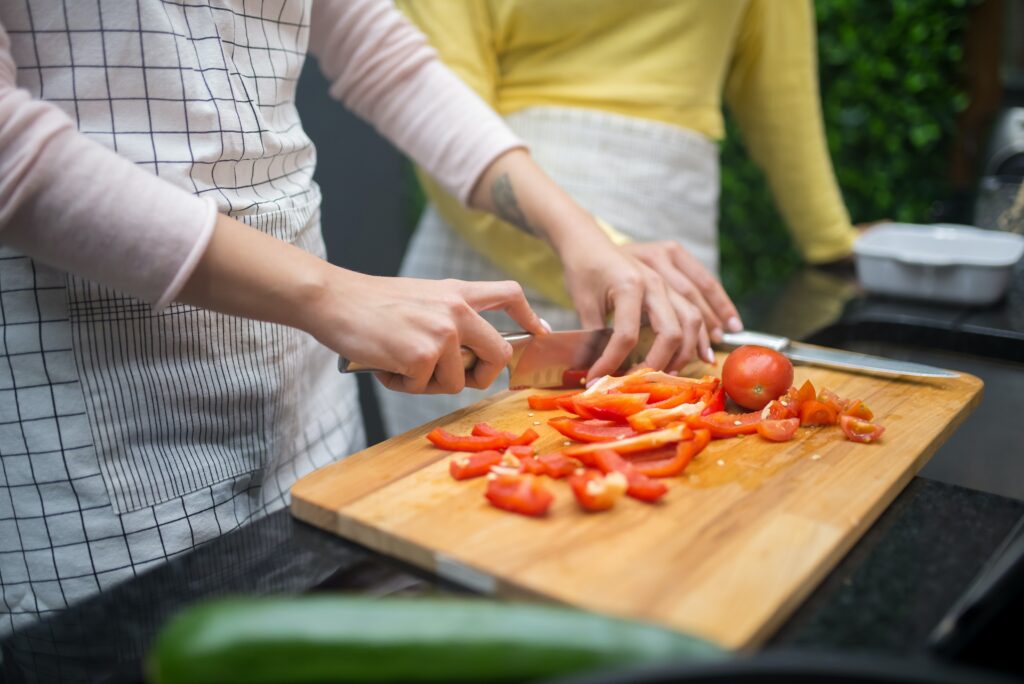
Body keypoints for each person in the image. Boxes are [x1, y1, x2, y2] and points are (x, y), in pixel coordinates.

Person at [0, 0, 709, 638]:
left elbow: (385, 56)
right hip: (97, 409)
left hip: (310, 389)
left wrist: (578, 230)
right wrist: (332, 296)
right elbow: (13, 151)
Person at [378, 0, 859, 436]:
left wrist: (835, 251)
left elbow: (780, 86)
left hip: (668, 234)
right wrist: (600, 245)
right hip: (490, 232)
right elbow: (441, 119)